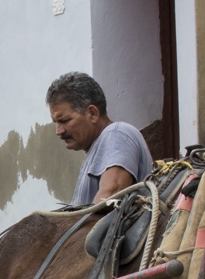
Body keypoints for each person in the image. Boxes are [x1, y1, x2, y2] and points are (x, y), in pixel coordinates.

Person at [47, 71, 154, 206]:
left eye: (64, 121)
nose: (59, 131)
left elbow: (110, 196)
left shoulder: (117, 134)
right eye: (56, 123)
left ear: (92, 113)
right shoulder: (98, 145)